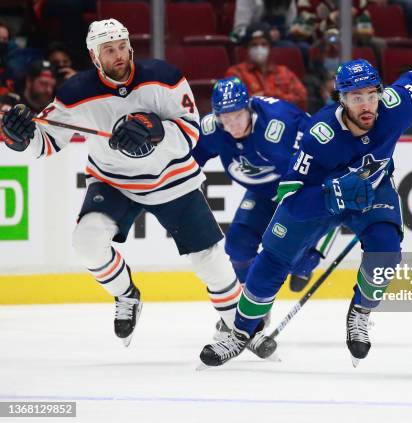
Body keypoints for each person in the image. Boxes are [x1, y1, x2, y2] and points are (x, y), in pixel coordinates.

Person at [0, 19, 271, 359]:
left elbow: (190, 133)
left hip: (172, 180)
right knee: (86, 243)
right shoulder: (75, 93)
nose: (118, 55)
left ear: (130, 46)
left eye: (121, 46)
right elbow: (46, 143)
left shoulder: (165, 77)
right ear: (94, 57)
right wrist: (18, 137)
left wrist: (155, 129)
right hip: (115, 182)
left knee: (209, 260)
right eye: (108, 50)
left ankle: (241, 328)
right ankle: (127, 295)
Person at [199, 59, 412, 367]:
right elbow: (290, 197)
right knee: (272, 259)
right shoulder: (319, 135)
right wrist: (333, 193)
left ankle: (360, 313)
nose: (366, 105)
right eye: (355, 97)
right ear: (342, 99)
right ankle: (239, 333)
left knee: (386, 252)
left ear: (380, 92)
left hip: (372, 191)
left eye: (370, 95)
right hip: (319, 196)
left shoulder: (395, 105)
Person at [192, 77, 334, 295]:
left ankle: (312, 252)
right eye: (225, 118)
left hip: (302, 190)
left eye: (237, 116)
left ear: (249, 107)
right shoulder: (215, 130)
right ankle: (252, 305)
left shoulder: (278, 129)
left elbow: (317, 168)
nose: (233, 125)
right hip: (265, 190)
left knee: (293, 259)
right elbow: (191, 162)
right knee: (238, 245)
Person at [226, 23, 308, 110]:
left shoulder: (284, 72)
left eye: (264, 44)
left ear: (270, 47)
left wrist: (270, 96)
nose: (259, 49)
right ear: (247, 48)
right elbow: (232, 106)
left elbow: (302, 99)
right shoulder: (236, 74)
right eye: (254, 45)